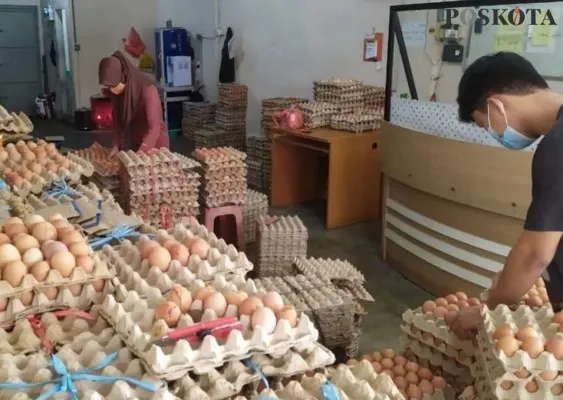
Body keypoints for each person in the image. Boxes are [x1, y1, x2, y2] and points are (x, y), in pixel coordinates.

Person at [451, 51, 563, 339]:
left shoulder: (557, 147)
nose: (493, 133)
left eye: (485, 124)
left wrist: (487, 310)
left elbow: (534, 254)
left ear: (495, 105)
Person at [98, 51, 169, 155]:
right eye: (108, 87)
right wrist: (116, 145)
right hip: (136, 141)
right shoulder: (119, 94)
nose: (111, 89)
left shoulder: (147, 89)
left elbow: (154, 127)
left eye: (112, 86)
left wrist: (143, 149)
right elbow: (117, 123)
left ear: (123, 77)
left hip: (155, 143)